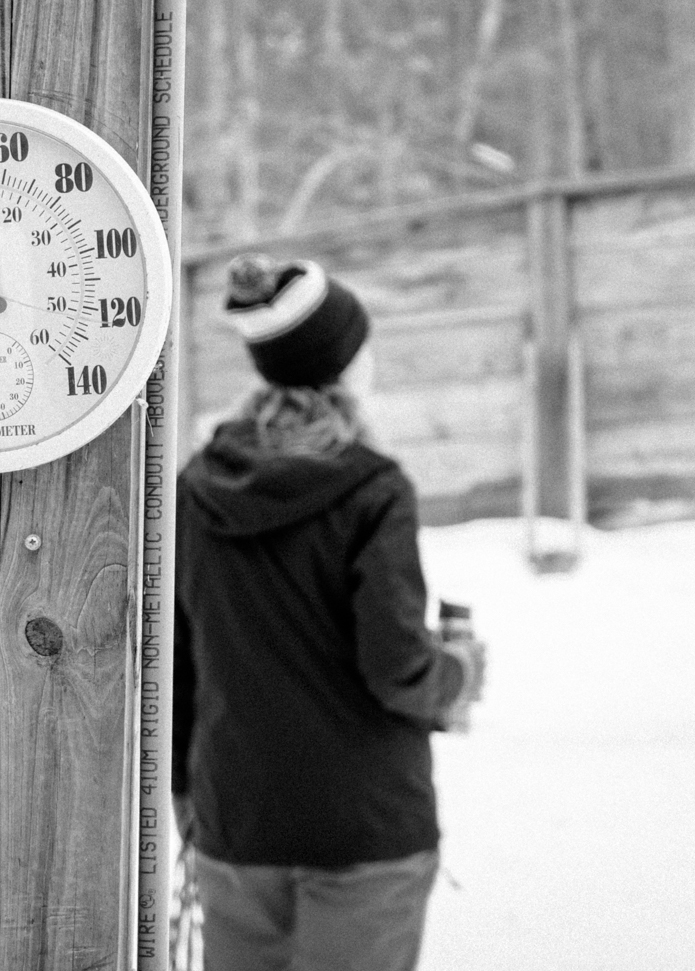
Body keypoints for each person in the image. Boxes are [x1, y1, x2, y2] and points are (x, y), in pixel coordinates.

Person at [172, 254, 486, 971]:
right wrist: (458, 671)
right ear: (344, 365)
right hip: (363, 831)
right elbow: (397, 667)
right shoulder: (374, 490)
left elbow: (181, 659)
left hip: (236, 822)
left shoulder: (196, 488)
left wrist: (190, 795)